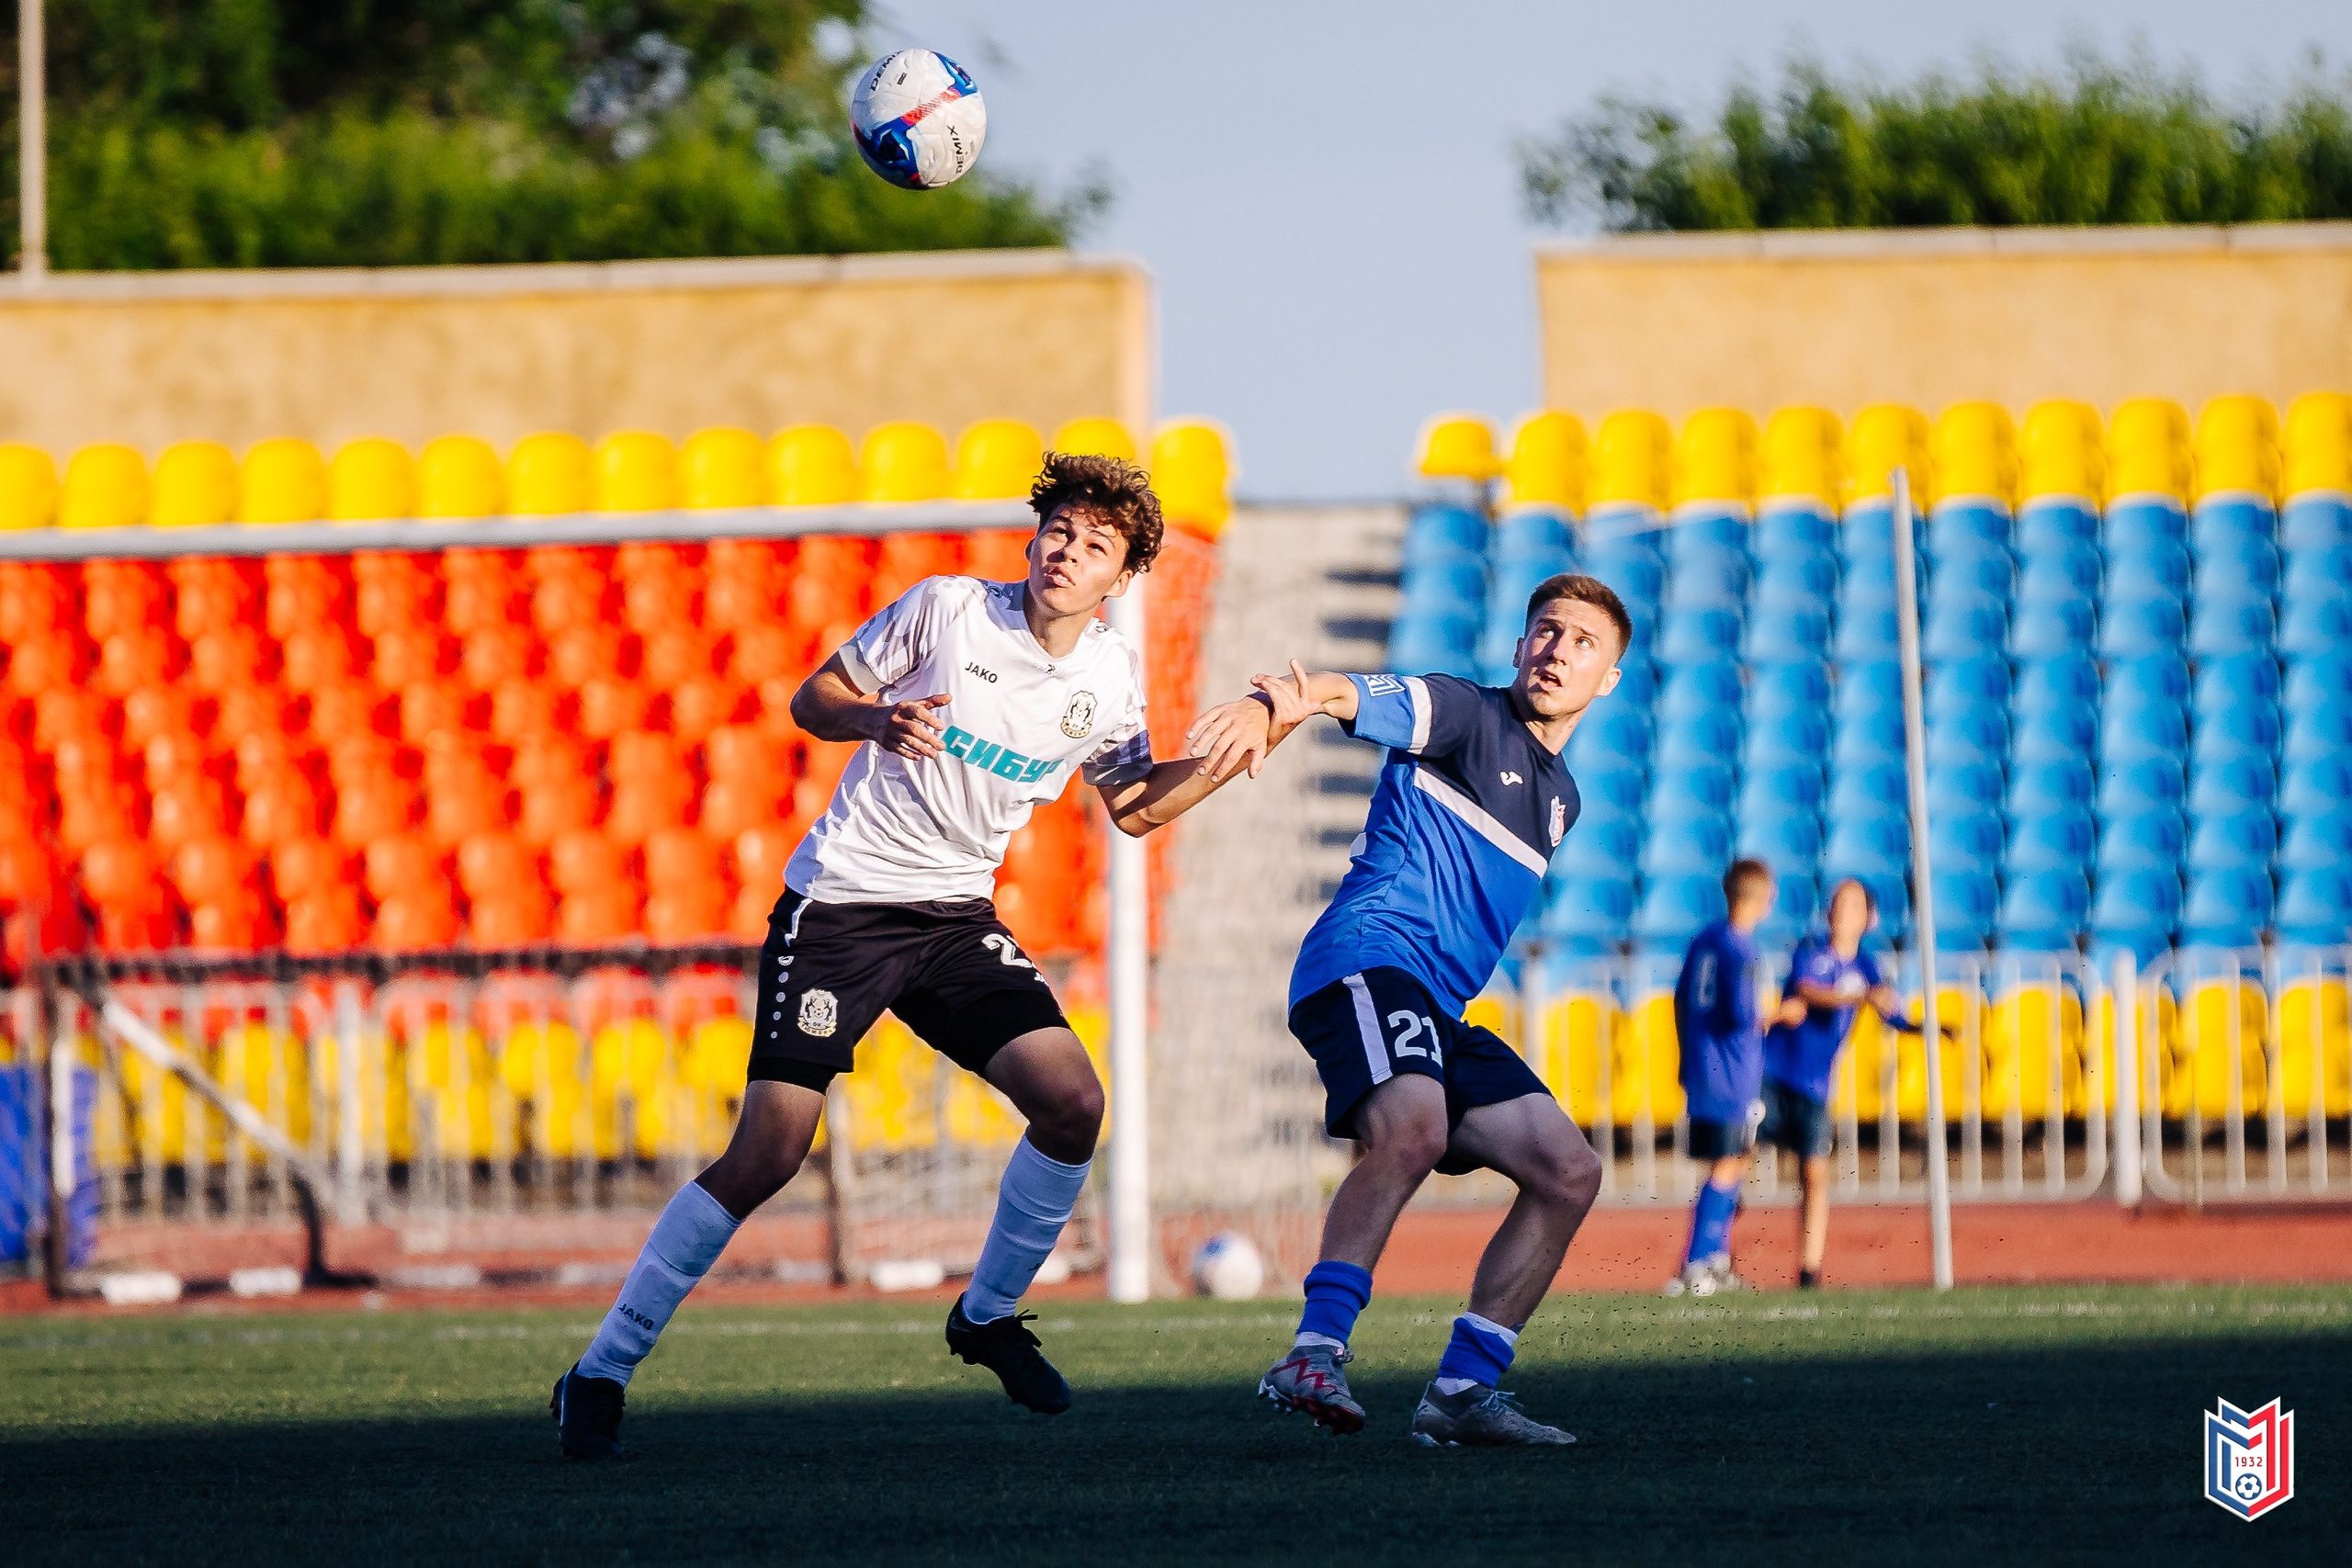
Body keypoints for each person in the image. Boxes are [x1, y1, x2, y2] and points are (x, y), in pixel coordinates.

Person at [552, 453, 1276, 1460]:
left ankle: (984, 1317)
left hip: (951, 920)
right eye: (1059, 530)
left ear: (1121, 578)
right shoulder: (947, 611)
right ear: (1035, 535)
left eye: (1096, 545)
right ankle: (601, 1369)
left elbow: (1134, 805)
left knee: (1073, 1104)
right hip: (842, 908)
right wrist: (873, 719)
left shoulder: (1109, 675)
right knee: (769, 1151)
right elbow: (813, 700)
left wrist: (1229, 759)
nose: (1069, 552)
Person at [1185, 572, 1627, 1448]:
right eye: (1546, 630)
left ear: (1607, 678)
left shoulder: (1564, 799)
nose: (1558, 651)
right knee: (1414, 1129)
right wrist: (1293, 698)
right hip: (1367, 959)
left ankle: (1464, 1391)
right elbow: (1357, 695)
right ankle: (1312, 1352)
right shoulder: (1466, 713)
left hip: (1439, 1004)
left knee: (1569, 1171)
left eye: (1583, 643)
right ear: (1517, 645)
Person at [1763, 877, 1936, 1289]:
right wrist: (1859, 998)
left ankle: (1809, 1269)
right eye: (1838, 905)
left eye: (1852, 906)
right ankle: (1714, 1251)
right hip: (1771, 1076)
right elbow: (1810, 991)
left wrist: (1923, 1028)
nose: (1841, 913)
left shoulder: (1866, 967)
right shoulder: (1811, 951)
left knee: (1814, 1175)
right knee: (1733, 1162)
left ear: (1868, 919)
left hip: (1815, 1088)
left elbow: (1889, 1012)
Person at [1662, 858, 1788, 1299]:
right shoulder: (1743, 949)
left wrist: (1685, 1057)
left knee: (1733, 1159)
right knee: (1729, 1162)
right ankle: (1697, 1261)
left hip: (1703, 1065)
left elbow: (1680, 1002)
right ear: (1761, 899)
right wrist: (1779, 1013)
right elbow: (1742, 1013)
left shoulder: (1704, 942)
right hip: (1733, 1070)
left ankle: (1713, 1258)